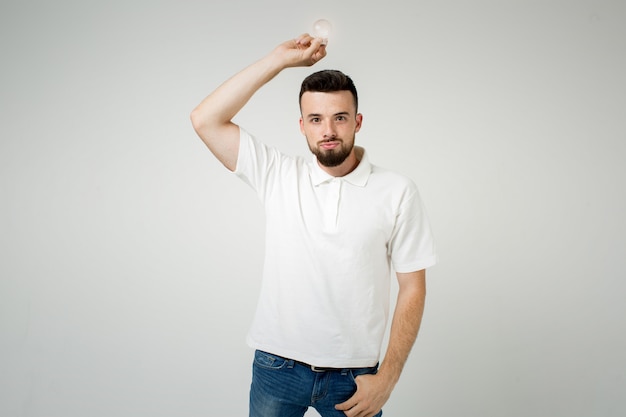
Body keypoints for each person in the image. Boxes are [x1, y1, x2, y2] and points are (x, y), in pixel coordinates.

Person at [190, 33, 437, 417]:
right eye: (316, 119)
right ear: (302, 125)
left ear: (357, 122)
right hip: (277, 368)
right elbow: (205, 119)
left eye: (339, 118)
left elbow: (413, 287)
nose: (328, 131)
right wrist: (278, 60)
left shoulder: (398, 191)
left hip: (355, 379)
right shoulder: (277, 174)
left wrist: (387, 378)